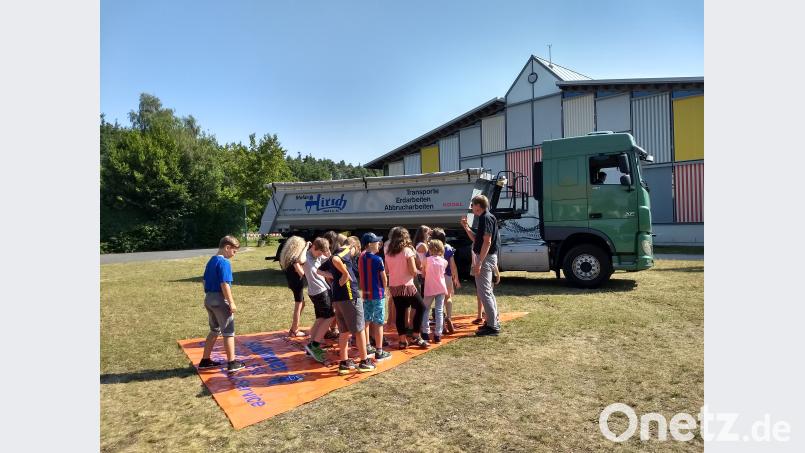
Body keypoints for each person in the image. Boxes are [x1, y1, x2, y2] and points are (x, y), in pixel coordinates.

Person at [318, 233, 375, 375]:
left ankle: (343, 363)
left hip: (337, 298)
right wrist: (344, 274)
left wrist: (334, 276)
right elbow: (337, 259)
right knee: (360, 328)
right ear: (355, 246)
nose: (354, 255)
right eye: (357, 251)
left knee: (344, 331)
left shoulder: (335, 253)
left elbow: (319, 270)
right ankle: (364, 361)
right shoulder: (347, 249)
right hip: (350, 297)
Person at [197, 235, 246, 372]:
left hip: (209, 299)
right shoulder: (224, 263)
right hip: (220, 300)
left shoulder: (211, 261)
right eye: (234, 251)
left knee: (214, 330)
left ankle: (205, 360)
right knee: (228, 331)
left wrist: (209, 296)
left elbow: (204, 281)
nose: (234, 255)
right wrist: (231, 303)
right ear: (227, 247)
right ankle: (232, 363)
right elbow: (225, 284)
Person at [460, 194, 501, 336]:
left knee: (484, 292)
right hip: (486, 257)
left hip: (485, 258)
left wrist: (479, 262)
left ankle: (492, 325)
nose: (472, 207)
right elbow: (477, 239)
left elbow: (487, 241)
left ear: (479, 205)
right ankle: (493, 320)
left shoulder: (486, 218)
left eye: (473, 205)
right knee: (487, 291)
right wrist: (466, 227)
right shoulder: (486, 217)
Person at [385, 227, 429, 349]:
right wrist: (420, 270)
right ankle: (416, 335)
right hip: (407, 285)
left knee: (400, 312)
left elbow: (387, 270)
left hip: (394, 286)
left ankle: (402, 340)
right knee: (421, 307)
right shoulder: (407, 251)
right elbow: (413, 271)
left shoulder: (388, 252)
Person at [358, 232, 391, 362]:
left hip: (366, 294)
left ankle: (367, 346)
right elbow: (384, 278)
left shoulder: (361, 258)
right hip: (378, 294)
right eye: (377, 242)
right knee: (379, 322)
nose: (379, 244)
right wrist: (385, 289)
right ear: (370, 244)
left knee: (366, 320)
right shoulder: (378, 259)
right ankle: (379, 350)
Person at [301, 238, 333, 364]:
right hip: (319, 292)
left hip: (320, 291)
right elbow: (301, 259)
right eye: (319, 252)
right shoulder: (306, 257)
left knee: (320, 318)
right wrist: (306, 246)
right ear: (313, 247)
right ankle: (314, 345)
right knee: (330, 317)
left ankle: (310, 347)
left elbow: (329, 258)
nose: (320, 255)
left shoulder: (317, 256)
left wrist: (326, 250)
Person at [429, 228, 460, 333]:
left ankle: (442, 325)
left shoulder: (432, 248)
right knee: (448, 298)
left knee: (439, 302)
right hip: (447, 277)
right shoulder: (448, 247)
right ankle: (449, 317)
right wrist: (456, 278)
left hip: (436, 277)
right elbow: (453, 265)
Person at [279, 236, 308, 338]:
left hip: (291, 282)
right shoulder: (295, 260)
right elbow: (302, 274)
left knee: (302, 303)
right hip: (297, 284)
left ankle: (294, 326)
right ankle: (294, 329)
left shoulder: (288, 258)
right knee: (298, 305)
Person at [421, 239, 448, 343]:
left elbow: (423, 274)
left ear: (430, 249)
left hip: (430, 288)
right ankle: (438, 334)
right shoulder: (444, 261)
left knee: (425, 309)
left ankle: (425, 332)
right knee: (439, 311)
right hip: (441, 288)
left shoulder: (426, 260)